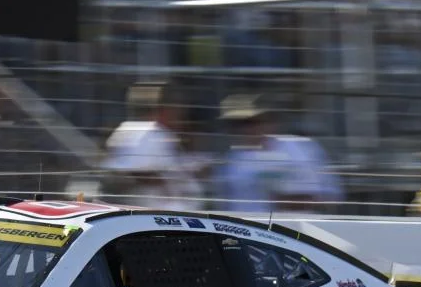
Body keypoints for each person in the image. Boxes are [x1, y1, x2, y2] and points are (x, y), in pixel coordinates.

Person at [214, 93, 343, 216]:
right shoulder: (233, 158)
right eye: (240, 124)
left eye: (254, 122)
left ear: (271, 122)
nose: (247, 129)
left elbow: (326, 196)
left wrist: (288, 199)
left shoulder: (300, 149)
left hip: (291, 230)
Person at [100, 82, 205, 210]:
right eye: (177, 108)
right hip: (151, 216)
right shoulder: (147, 133)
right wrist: (164, 182)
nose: (181, 114)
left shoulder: (144, 131)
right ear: (164, 109)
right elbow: (133, 173)